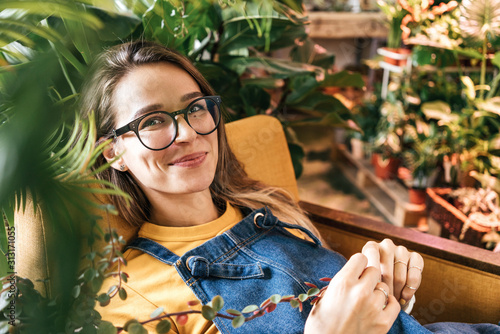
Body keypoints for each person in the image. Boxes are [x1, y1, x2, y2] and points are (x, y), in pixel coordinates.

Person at [79, 41, 499, 334]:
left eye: (195, 109)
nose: (187, 132)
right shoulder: (129, 295)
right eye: (152, 121)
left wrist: (381, 289)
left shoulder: (269, 206)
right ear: (112, 152)